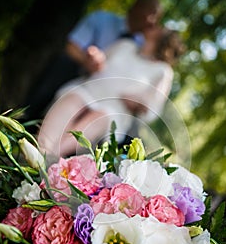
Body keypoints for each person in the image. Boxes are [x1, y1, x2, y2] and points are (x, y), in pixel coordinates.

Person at [37, 27, 185, 158]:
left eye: (160, 28)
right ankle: (40, 150)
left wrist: (138, 104)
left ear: (163, 39)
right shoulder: (125, 45)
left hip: (114, 111)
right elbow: (95, 64)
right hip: (88, 90)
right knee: (72, 99)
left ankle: (51, 156)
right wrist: (93, 60)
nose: (153, 26)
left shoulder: (163, 71)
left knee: (100, 116)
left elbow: (152, 110)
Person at [23, 0, 163, 122]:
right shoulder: (101, 20)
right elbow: (71, 47)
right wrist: (87, 62)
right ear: (136, 6)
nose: (153, 21)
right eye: (151, 13)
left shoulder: (143, 47)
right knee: (63, 65)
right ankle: (27, 118)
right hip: (79, 73)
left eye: (157, 17)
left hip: (110, 97)